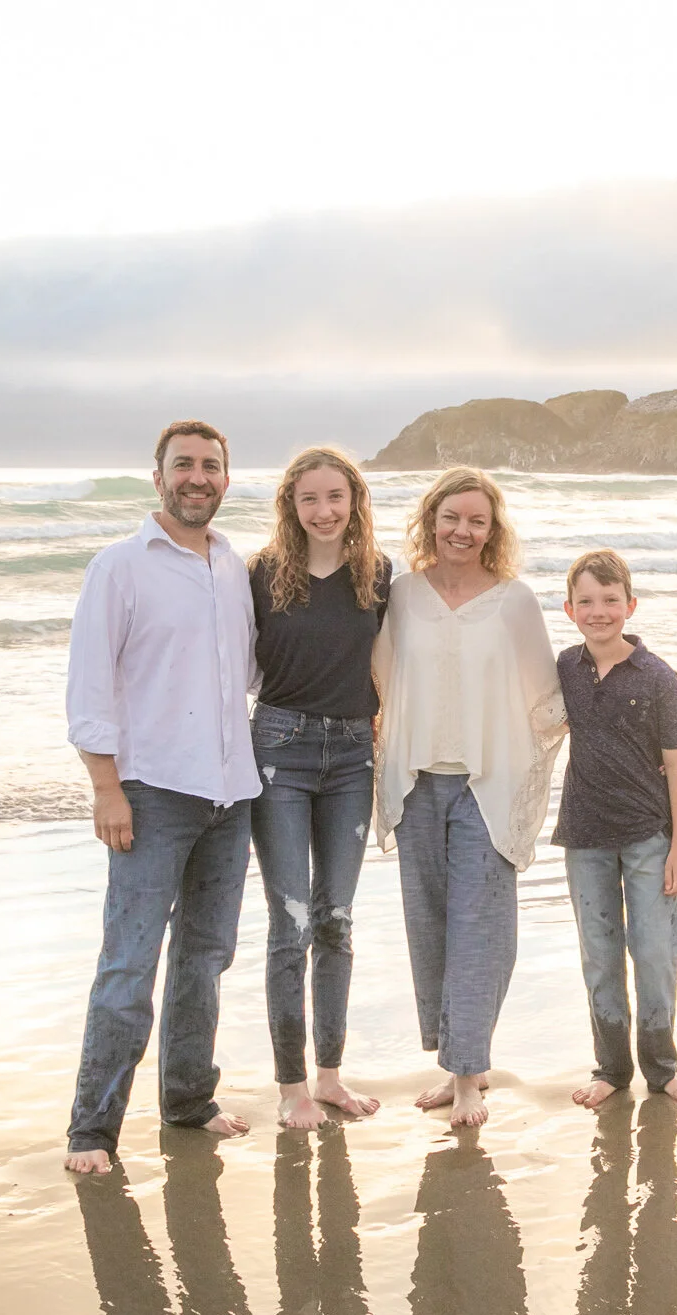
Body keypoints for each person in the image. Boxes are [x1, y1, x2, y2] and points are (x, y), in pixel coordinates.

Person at [63, 420, 259, 1175]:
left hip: (230, 794)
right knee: (129, 963)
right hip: (150, 793)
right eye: (184, 464)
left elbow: (245, 678)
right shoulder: (119, 567)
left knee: (206, 959)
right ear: (159, 477)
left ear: (226, 480)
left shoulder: (234, 568)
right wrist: (105, 787)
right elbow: (89, 686)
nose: (198, 477)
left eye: (211, 466)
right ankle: (92, 1129)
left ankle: (187, 1101)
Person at [372, 467, 566, 1128]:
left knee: (482, 930)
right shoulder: (401, 595)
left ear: (492, 530)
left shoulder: (514, 601)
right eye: (451, 517)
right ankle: (458, 1059)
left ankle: (467, 1077)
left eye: (476, 520)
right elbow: (380, 677)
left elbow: (547, 698)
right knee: (429, 924)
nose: (462, 530)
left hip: (486, 784)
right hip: (419, 781)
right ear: (431, 520)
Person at [248, 445, 389, 1130]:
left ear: (355, 500)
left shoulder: (380, 576)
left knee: (335, 919)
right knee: (291, 922)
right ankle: (291, 1086)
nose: (324, 510)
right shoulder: (261, 574)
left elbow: (409, 663)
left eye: (336, 497)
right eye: (310, 498)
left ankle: (330, 1077)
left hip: (354, 756)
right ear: (291, 504)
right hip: (279, 750)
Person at [553, 549, 677, 1108]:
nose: (599, 611)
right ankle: (611, 1069)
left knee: (654, 949)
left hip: (649, 837)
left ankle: (662, 1069)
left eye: (610, 601)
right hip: (584, 835)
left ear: (630, 606)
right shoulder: (565, 668)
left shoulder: (659, 677)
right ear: (569, 609)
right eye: (587, 602)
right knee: (599, 952)